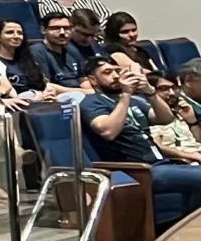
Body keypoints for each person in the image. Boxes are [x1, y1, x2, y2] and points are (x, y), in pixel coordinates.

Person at [82, 54, 201, 227]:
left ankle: (182, 226)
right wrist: (125, 95)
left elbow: (165, 118)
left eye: (117, 71)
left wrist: (150, 92)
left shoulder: (135, 101)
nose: (115, 76)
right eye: (107, 72)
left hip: (163, 164)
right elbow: (108, 132)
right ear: (93, 79)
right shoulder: (92, 103)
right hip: (139, 171)